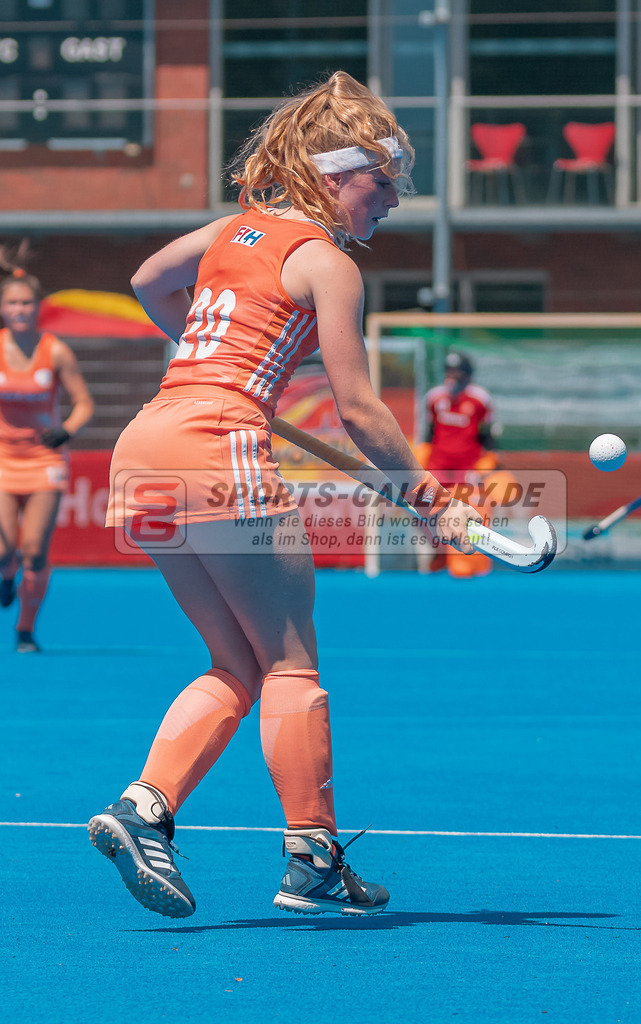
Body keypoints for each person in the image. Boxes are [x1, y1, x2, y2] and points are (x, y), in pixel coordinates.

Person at [87, 71, 481, 920]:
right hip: (221, 450)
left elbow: (150, 281)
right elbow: (361, 408)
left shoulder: (234, 229)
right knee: (291, 663)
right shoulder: (325, 263)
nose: (393, 201)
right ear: (337, 175)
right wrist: (430, 501)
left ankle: (141, 810)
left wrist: (206, 356)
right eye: (384, 182)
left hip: (145, 449)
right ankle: (310, 858)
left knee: (237, 662)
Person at [0, 245, 94, 652]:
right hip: (2, 459)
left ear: (37, 307)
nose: (20, 309)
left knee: (34, 550)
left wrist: (67, 430)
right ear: (2, 308)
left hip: (44, 461)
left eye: (26, 302)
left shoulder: (54, 349)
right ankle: (6, 574)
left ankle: (25, 629)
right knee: (4, 548)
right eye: (12, 303)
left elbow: (85, 401)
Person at [418, 349, 504, 578]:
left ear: (467, 375)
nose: (452, 377)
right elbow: (430, 434)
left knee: (474, 516)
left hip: (467, 471)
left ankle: (476, 561)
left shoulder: (480, 399)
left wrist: (486, 465)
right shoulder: (434, 397)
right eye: (449, 371)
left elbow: (488, 438)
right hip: (438, 468)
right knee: (422, 512)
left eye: (458, 372)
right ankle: (439, 554)